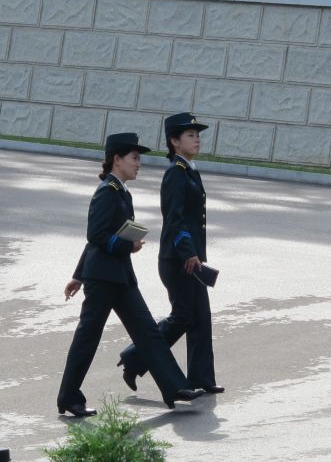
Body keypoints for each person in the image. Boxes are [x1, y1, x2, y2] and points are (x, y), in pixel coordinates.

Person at [56, 132, 203, 417]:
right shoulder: (106, 193)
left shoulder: (122, 192)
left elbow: (97, 239)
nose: (139, 164)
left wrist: (77, 275)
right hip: (103, 280)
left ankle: (175, 388)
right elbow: (96, 235)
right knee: (88, 338)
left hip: (120, 277)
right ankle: (68, 396)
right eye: (135, 158)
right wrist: (127, 245)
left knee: (149, 333)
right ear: (117, 159)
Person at [117, 113, 223, 395]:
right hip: (178, 260)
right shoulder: (175, 174)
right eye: (190, 135)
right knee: (183, 317)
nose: (197, 138)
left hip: (192, 259)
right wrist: (188, 253)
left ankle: (202, 378)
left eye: (197, 134)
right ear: (174, 141)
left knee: (200, 317)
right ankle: (134, 358)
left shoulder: (189, 170)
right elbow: (174, 219)